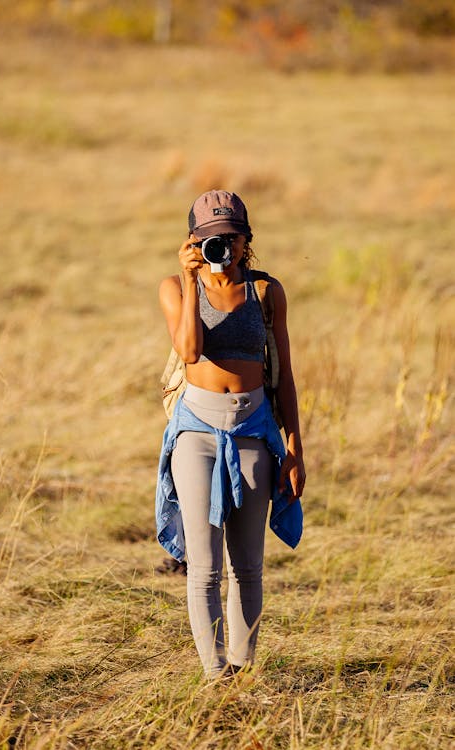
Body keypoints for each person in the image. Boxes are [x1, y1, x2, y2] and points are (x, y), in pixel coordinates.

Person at [156, 190, 305, 679]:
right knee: (204, 566)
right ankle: (215, 675)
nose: (222, 246)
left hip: (254, 428)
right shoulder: (175, 288)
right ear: (193, 242)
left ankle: (243, 667)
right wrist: (190, 278)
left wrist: (295, 447)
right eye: (209, 239)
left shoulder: (266, 291)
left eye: (230, 237)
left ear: (246, 239)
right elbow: (191, 351)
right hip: (197, 430)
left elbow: (283, 371)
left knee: (248, 565)